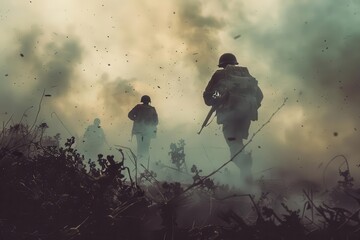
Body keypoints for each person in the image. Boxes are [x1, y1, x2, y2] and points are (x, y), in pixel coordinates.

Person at [203, 53, 263, 183]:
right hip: (246, 115)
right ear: (235, 63)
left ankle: (246, 170)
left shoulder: (219, 75)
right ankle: (246, 175)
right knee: (238, 141)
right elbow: (260, 95)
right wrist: (250, 107)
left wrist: (218, 101)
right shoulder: (246, 74)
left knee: (233, 143)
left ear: (222, 65)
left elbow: (207, 98)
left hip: (230, 115)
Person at [128, 95, 158, 164]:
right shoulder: (152, 109)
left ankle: (139, 161)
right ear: (149, 101)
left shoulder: (138, 107)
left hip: (139, 130)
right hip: (148, 132)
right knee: (146, 147)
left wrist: (136, 119)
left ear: (142, 100)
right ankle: (145, 161)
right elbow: (156, 121)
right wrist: (150, 125)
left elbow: (130, 115)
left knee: (140, 146)